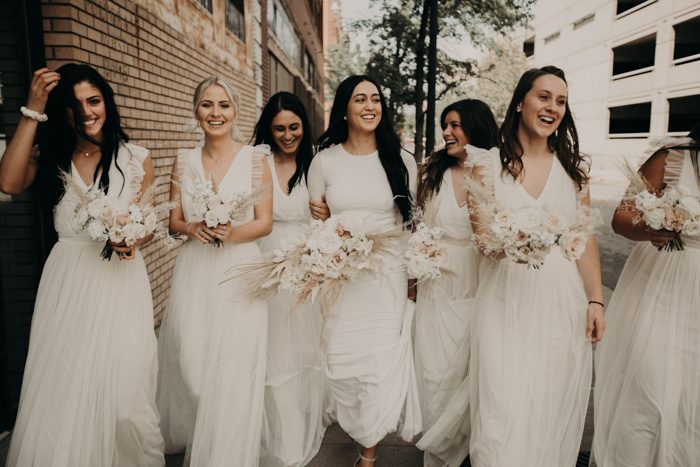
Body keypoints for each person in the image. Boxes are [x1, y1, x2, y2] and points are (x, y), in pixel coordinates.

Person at [0, 64, 164, 466]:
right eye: (75, 106)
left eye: (95, 100)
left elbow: (148, 220)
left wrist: (132, 239)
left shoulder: (135, 157)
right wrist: (33, 107)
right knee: (67, 388)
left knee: (127, 398)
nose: (88, 111)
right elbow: (7, 182)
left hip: (122, 283)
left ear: (107, 102)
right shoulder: (51, 157)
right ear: (62, 113)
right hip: (69, 283)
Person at [465, 66, 605, 467]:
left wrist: (596, 301)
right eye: (544, 97)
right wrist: (515, 242)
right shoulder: (487, 166)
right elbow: (484, 242)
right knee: (501, 403)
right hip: (504, 299)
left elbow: (584, 240)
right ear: (521, 101)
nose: (552, 107)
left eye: (561, 101)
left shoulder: (574, 173)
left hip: (561, 303)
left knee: (550, 399)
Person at [156, 76, 273, 467]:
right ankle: (205, 432)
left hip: (240, 270)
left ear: (235, 109)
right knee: (192, 362)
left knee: (235, 367)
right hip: (195, 270)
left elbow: (265, 222)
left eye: (223, 105)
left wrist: (231, 232)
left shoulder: (257, 159)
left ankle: (226, 454)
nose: (215, 113)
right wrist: (192, 227)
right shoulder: (183, 160)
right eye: (207, 105)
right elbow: (173, 221)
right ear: (196, 110)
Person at [307, 74, 421, 467]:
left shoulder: (402, 161)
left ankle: (369, 453)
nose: (370, 105)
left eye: (376, 98)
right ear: (345, 108)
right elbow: (316, 222)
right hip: (343, 277)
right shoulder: (323, 161)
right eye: (360, 99)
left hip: (386, 277)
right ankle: (360, 426)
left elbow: (412, 225)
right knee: (340, 361)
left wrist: (413, 277)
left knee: (377, 363)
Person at [592, 124, 700, 467]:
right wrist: (651, 227)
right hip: (661, 291)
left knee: (689, 407)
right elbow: (621, 217)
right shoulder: (672, 157)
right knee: (649, 390)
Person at [414, 99, 498, 467]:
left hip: (480, 281)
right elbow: (418, 227)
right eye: (444, 125)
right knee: (434, 369)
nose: (447, 132)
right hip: (438, 282)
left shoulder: (496, 171)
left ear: (476, 128)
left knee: (473, 369)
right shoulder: (434, 173)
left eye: (455, 125)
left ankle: (468, 452)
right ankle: (438, 453)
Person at [251, 91, 329, 467]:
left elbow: (330, 215)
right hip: (265, 262)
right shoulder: (258, 161)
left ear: (304, 126)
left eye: (294, 127)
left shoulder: (316, 162)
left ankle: (297, 423)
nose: (287, 135)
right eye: (279, 128)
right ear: (269, 128)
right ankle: (275, 434)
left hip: (307, 265)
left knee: (304, 350)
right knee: (270, 352)